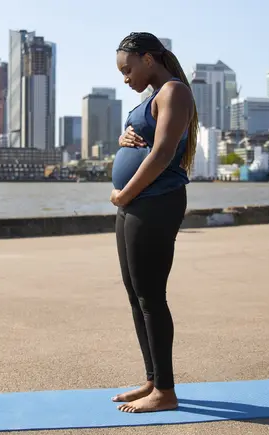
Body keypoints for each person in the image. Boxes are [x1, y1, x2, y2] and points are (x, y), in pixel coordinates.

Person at [108, 32, 199, 414]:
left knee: (152, 297)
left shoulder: (174, 91)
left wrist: (124, 194)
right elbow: (145, 138)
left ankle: (165, 390)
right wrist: (125, 136)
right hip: (135, 205)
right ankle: (151, 380)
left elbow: (162, 154)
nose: (125, 78)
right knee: (135, 294)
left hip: (155, 203)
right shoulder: (152, 97)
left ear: (148, 59)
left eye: (128, 69)